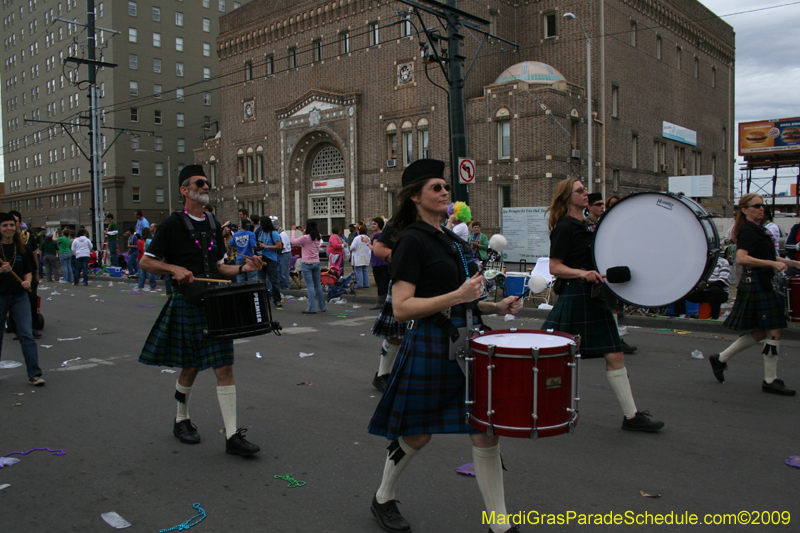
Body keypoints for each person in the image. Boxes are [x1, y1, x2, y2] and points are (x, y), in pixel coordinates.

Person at [367, 159, 523, 533]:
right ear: (415, 196)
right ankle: (382, 497)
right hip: (433, 341)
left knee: (486, 429)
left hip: (469, 339)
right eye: (436, 187)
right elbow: (403, 308)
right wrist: (459, 294)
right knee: (418, 433)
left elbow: (461, 298)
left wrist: (494, 305)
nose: (444, 192)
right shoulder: (411, 241)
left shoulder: (451, 239)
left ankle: (500, 524)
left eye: (445, 187)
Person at [138, 165, 262, 456]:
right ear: (185, 190)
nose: (206, 186)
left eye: (207, 182)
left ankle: (233, 437)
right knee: (191, 366)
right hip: (187, 303)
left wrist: (243, 267)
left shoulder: (212, 222)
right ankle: (181, 419)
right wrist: (172, 267)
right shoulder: (172, 224)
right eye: (200, 183)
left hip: (215, 304)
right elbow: (146, 262)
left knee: (224, 367)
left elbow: (220, 267)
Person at [542, 178, 664, 432]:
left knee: (615, 353)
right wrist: (581, 273)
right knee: (553, 356)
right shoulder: (565, 228)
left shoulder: (587, 225)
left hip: (593, 295)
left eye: (585, 190)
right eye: (579, 191)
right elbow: (555, 267)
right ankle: (535, 406)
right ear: (567, 197)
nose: (585, 193)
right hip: (576, 293)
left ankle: (631, 417)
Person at [709, 194, 797, 396]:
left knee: (761, 331)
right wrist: (773, 264)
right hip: (756, 283)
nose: (761, 209)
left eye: (762, 206)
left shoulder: (758, 229)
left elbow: (765, 255)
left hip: (761, 282)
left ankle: (720, 358)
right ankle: (770, 379)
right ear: (744, 209)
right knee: (774, 330)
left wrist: (793, 263)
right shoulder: (748, 230)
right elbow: (741, 258)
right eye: (756, 206)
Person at [0, 212, 44, 386]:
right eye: (5, 225)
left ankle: (34, 374)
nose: (9, 228)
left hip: (19, 296)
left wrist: (27, 282)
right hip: (0, 296)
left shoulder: (22, 248)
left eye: (11, 225)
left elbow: (28, 270)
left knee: (26, 334)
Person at [292, 220, 326, 314]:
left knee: (310, 286)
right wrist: (304, 231)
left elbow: (294, 241)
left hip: (307, 263)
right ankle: (322, 306)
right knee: (317, 285)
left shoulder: (305, 237)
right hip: (316, 262)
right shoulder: (318, 236)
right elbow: (310, 237)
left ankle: (311, 308)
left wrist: (293, 231)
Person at [256, 216, 283, 309]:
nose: (259, 225)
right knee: (261, 280)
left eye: (260, 223)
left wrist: (267, 246)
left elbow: (279, 246)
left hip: (271, 259)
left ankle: (277, 299)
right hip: (261, 257)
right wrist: (259, 246)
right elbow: (260, 243)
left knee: (273, 280)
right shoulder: (261, 233)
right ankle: (263, 299)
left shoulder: (274, 233)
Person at [369, 217, 389, 310]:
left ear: (379, 225)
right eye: (372, 224)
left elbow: (374, 248)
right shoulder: (383, 234)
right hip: (383, 261)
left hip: (378, 262)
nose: (372, 225)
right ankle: (385, 301)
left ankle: (380, 301)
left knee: (380, 282)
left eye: (375, 224)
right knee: (384, 282)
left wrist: (367, 243)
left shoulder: (377, 236)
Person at [278, 224, 293, 290]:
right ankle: (281, 287)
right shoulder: (280, 234)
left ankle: (286, 288)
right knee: (280, 272)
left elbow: (282, 246)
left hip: (284, 254)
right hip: (282, 254)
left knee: (284, 272)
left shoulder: (282, 234)